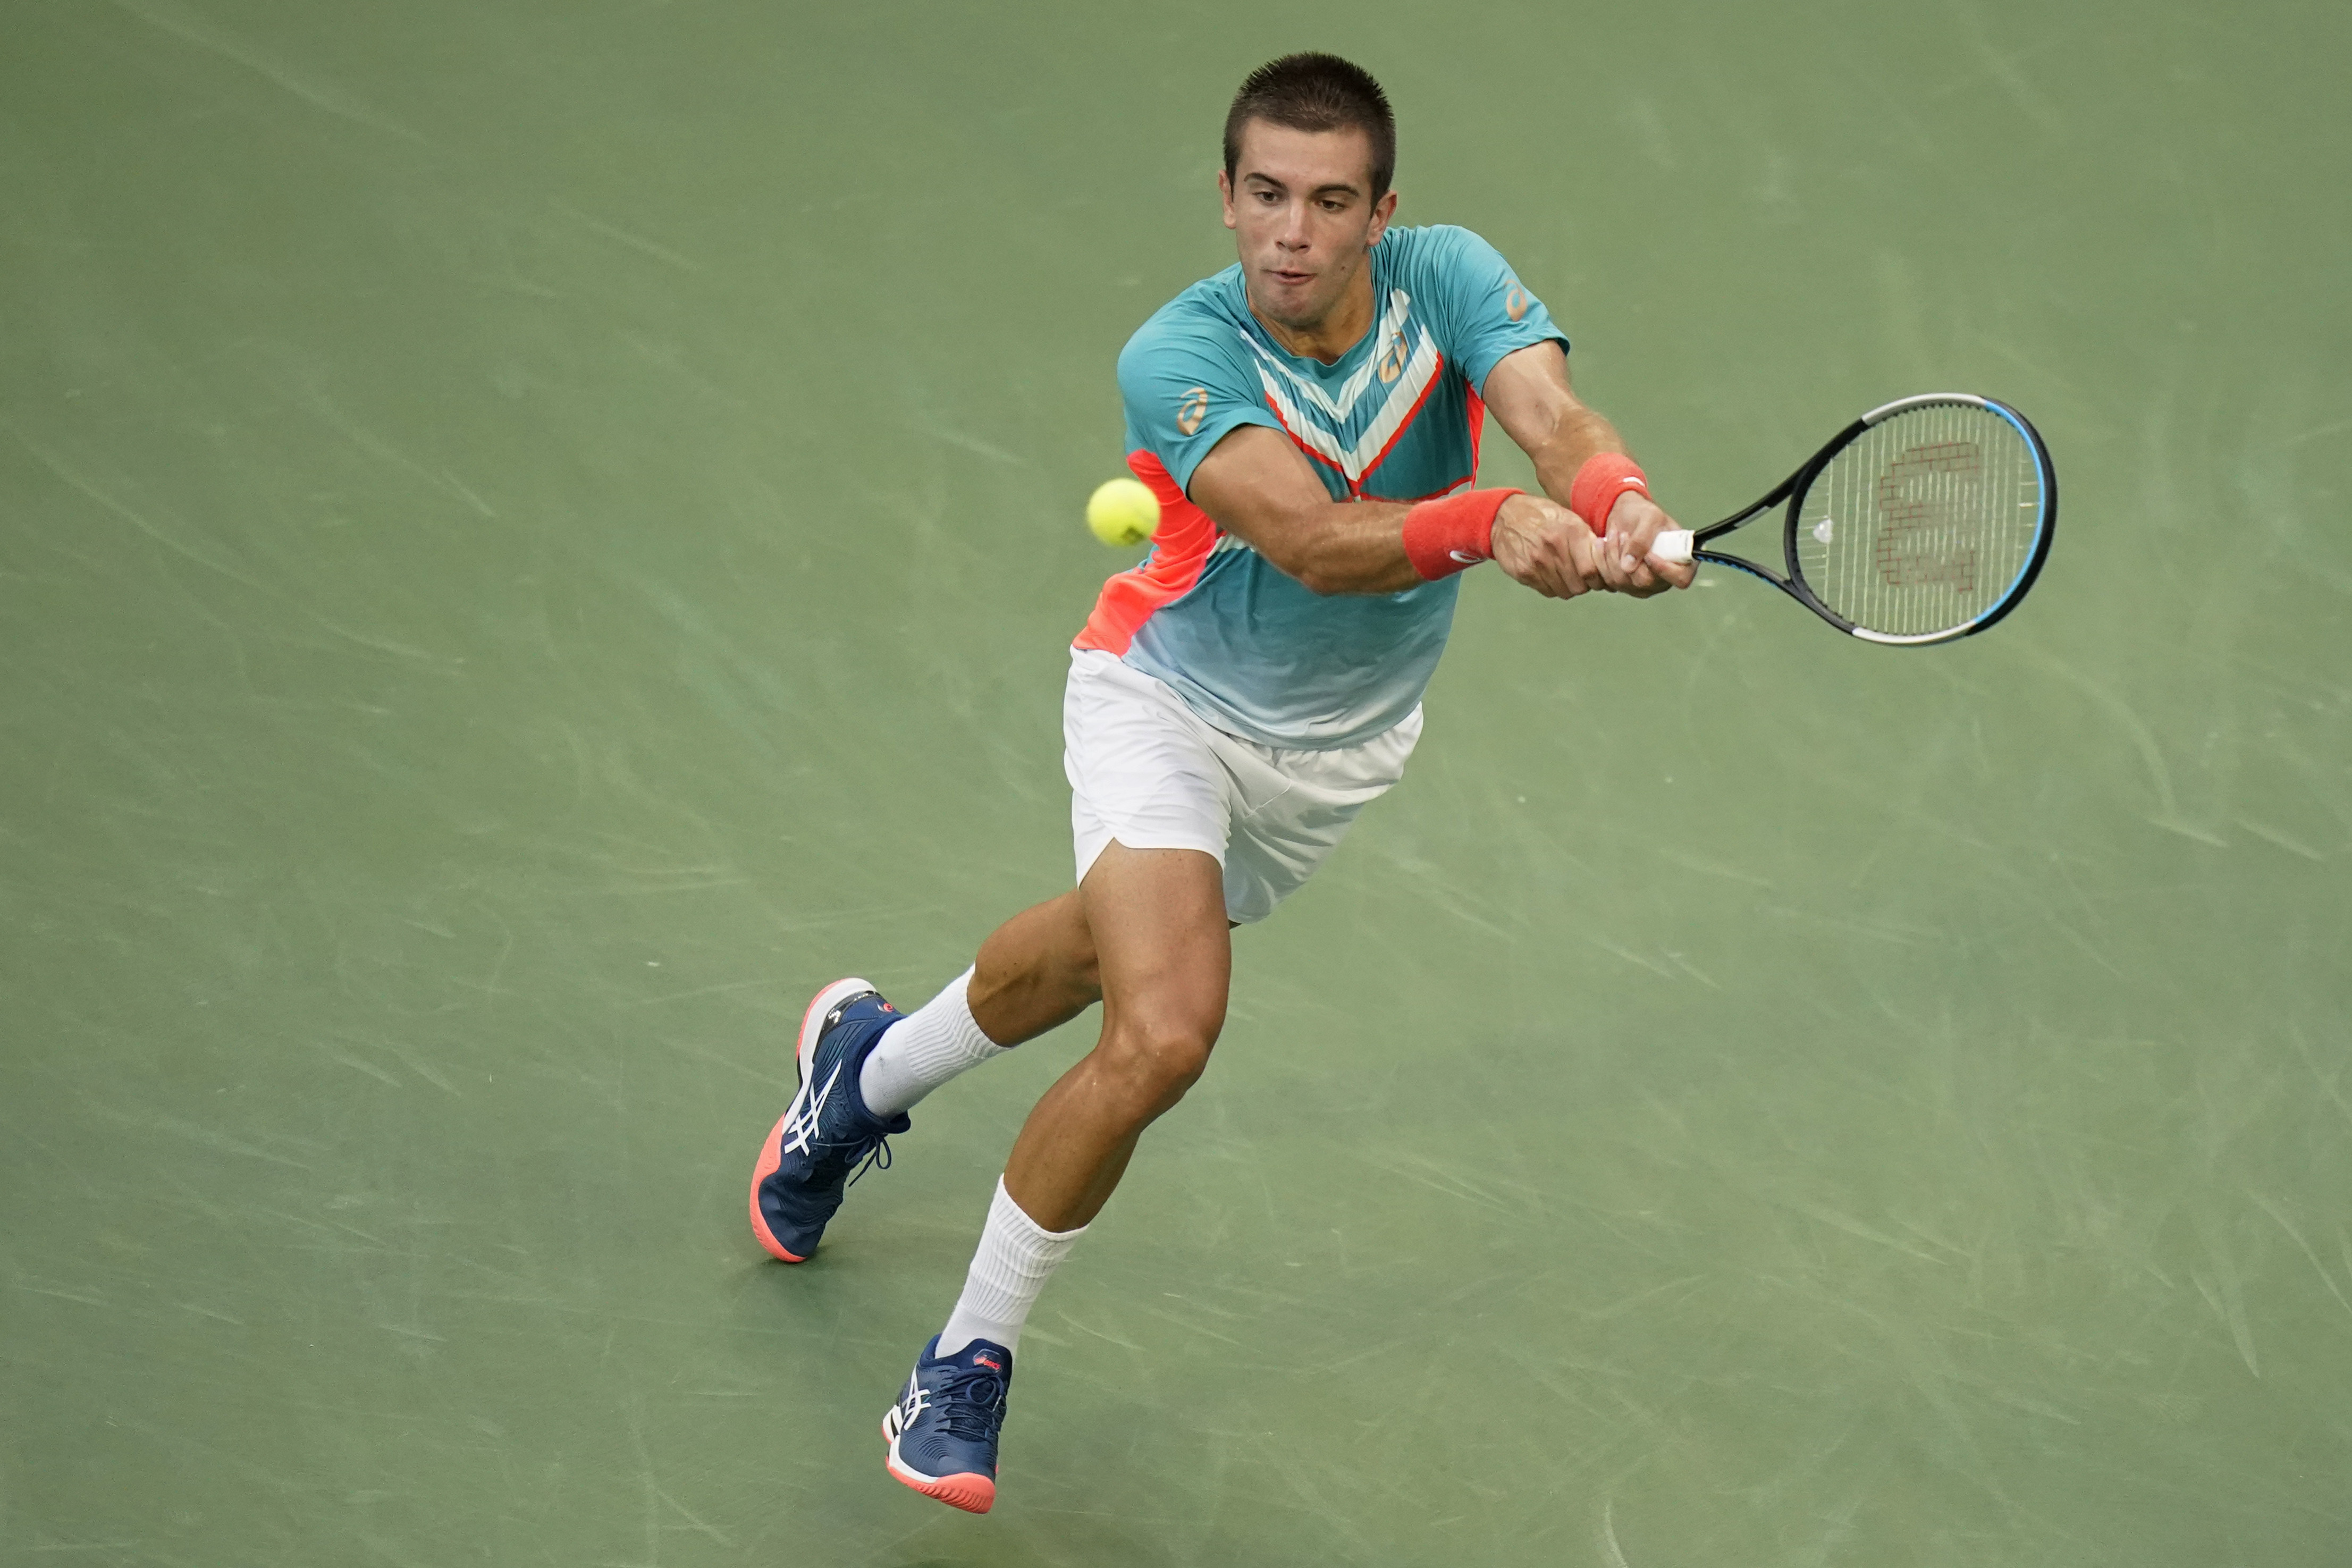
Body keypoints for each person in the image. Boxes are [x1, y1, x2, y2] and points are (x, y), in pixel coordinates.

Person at [747, 51, 1693, 1514]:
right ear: (1227, 194)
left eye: (1328, 202)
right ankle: (962, 1366)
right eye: (1263, 196)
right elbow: (1314, 539)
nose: (1291, 235)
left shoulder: (1446, 278)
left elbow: (1553, 419)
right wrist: (1492, 520)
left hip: (1336, 754)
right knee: (1165, 1030)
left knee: (1080, 952)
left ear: (1384, 211)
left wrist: (1613, 502)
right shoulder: (1177, 355)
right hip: (1163, 703)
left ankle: (856, 1076)